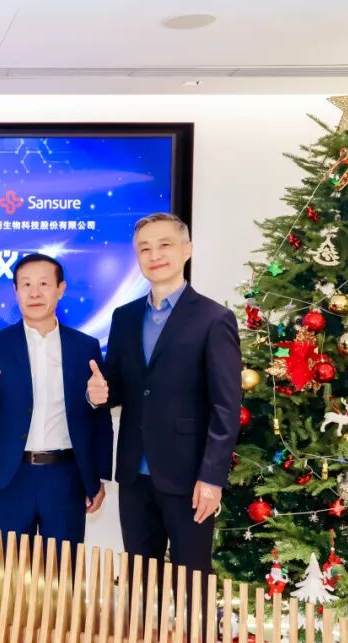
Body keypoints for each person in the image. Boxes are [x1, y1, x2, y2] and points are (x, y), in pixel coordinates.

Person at [90, 212, 241, 611]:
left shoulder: (214, 318)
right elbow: (119, 386)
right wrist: (99, 393)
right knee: (140, 583)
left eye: (164, 245)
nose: (154, 255)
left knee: (193, 584)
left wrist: (212, 477)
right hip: (134, 474)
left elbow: (226, 407)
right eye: (144, 248)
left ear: (186, 250)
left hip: (190, 478)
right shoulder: (124, 318)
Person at [0, 253, 113, 544]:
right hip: (12, 475)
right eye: (26, 285)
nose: (34, 293)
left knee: (62, 567)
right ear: (16, 291)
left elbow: (98, 418)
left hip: (66, 476)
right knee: (9, 566)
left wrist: (96, 477)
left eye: (44, 284)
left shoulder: (84, 346)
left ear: (60, 289)